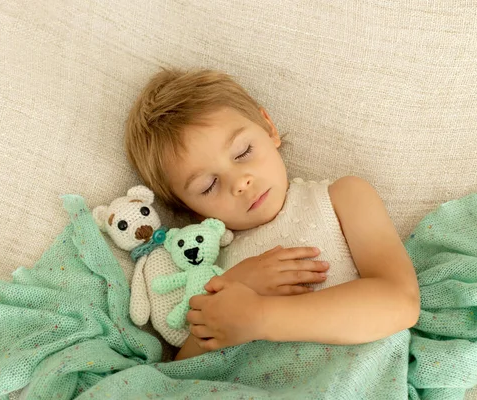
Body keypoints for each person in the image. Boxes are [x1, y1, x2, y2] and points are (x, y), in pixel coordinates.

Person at [124, 67, 420, 361]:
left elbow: (400, 302)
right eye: (208, 186)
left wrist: (261, 316)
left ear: (268, 128)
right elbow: (183, 368)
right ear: (190, 210)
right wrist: (234, 286)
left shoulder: (343, 197)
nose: (240, 183)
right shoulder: (211, 262)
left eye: (242, 152)